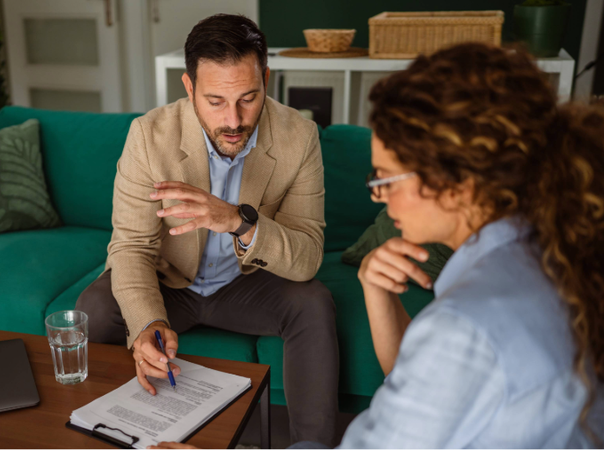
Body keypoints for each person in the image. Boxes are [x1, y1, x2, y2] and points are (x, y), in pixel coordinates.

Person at [151, 43, 604, 450]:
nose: (377, 196)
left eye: (386, 177)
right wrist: (375, 289)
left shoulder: (466, 325)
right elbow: (427, 380)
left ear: (456, 182)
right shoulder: (547, 252)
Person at [75, 14, 341, 446]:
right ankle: (104, 434)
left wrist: (237, 220)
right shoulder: (148, 136)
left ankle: (311, 445)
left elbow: (308, 255)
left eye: (249, 98)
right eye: (215, 101)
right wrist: (147, 324)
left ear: (266, 80)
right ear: (189, 87)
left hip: (247, 284)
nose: (233, 120)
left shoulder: (300, 136)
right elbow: (130, 247)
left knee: (314, 302)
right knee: (96, 306)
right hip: (170, 285)